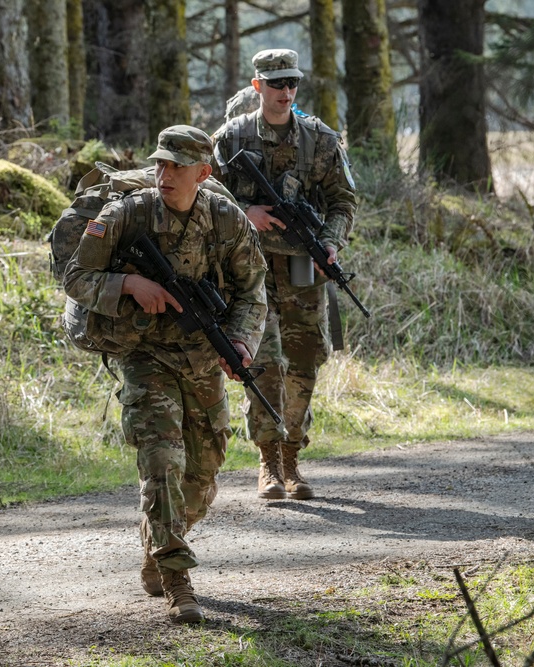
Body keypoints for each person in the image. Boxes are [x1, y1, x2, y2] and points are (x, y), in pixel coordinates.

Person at [63, 125, 267, 624]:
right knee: (162, 461)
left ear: (204, 172)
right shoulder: (125, 214)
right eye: (160, 163)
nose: (165, 173)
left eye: (177, 166)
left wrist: (240, 342)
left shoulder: (226, 220)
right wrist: (129, 283)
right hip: (143, 352)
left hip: (200, 357)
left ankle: (158, 540)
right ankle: (178, 579)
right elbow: (75, 278)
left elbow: (252, 291)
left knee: (202, 476)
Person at [211, 48, 357, 501]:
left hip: (301, 267)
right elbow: (202, 198)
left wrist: (330, 244)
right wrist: (244, 212)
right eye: (276, 84)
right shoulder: (231, 138)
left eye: (292, 83)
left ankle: (293, 454)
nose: (285, 92)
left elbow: (343, 202)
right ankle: (270, 460)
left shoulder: (320, 139)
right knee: (263, 362)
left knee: (306, 360)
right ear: (257, 86)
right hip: (248, 267)